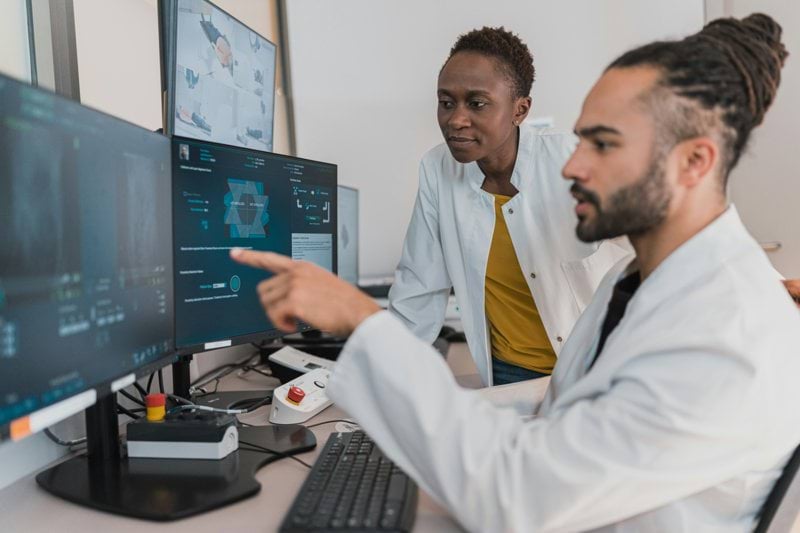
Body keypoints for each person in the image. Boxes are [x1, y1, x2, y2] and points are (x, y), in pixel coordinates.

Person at [232, 13, 800, 531]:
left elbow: (520, 498)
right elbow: (562, 404)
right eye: (581, 141)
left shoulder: (723, 332)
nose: (572, 166)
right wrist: (399, 406)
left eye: (602, 144)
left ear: (694, 161)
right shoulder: (630, 283)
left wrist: (364, 324)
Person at [389, 27, 630, 386]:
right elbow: (417, 291)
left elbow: (649, 255)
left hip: (596, 371)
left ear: (520, 110)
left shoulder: (574, 161)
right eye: (446, 102)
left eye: (477, 103)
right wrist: (380, 382)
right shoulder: (438, 171)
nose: (456, 119)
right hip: (509, 377)